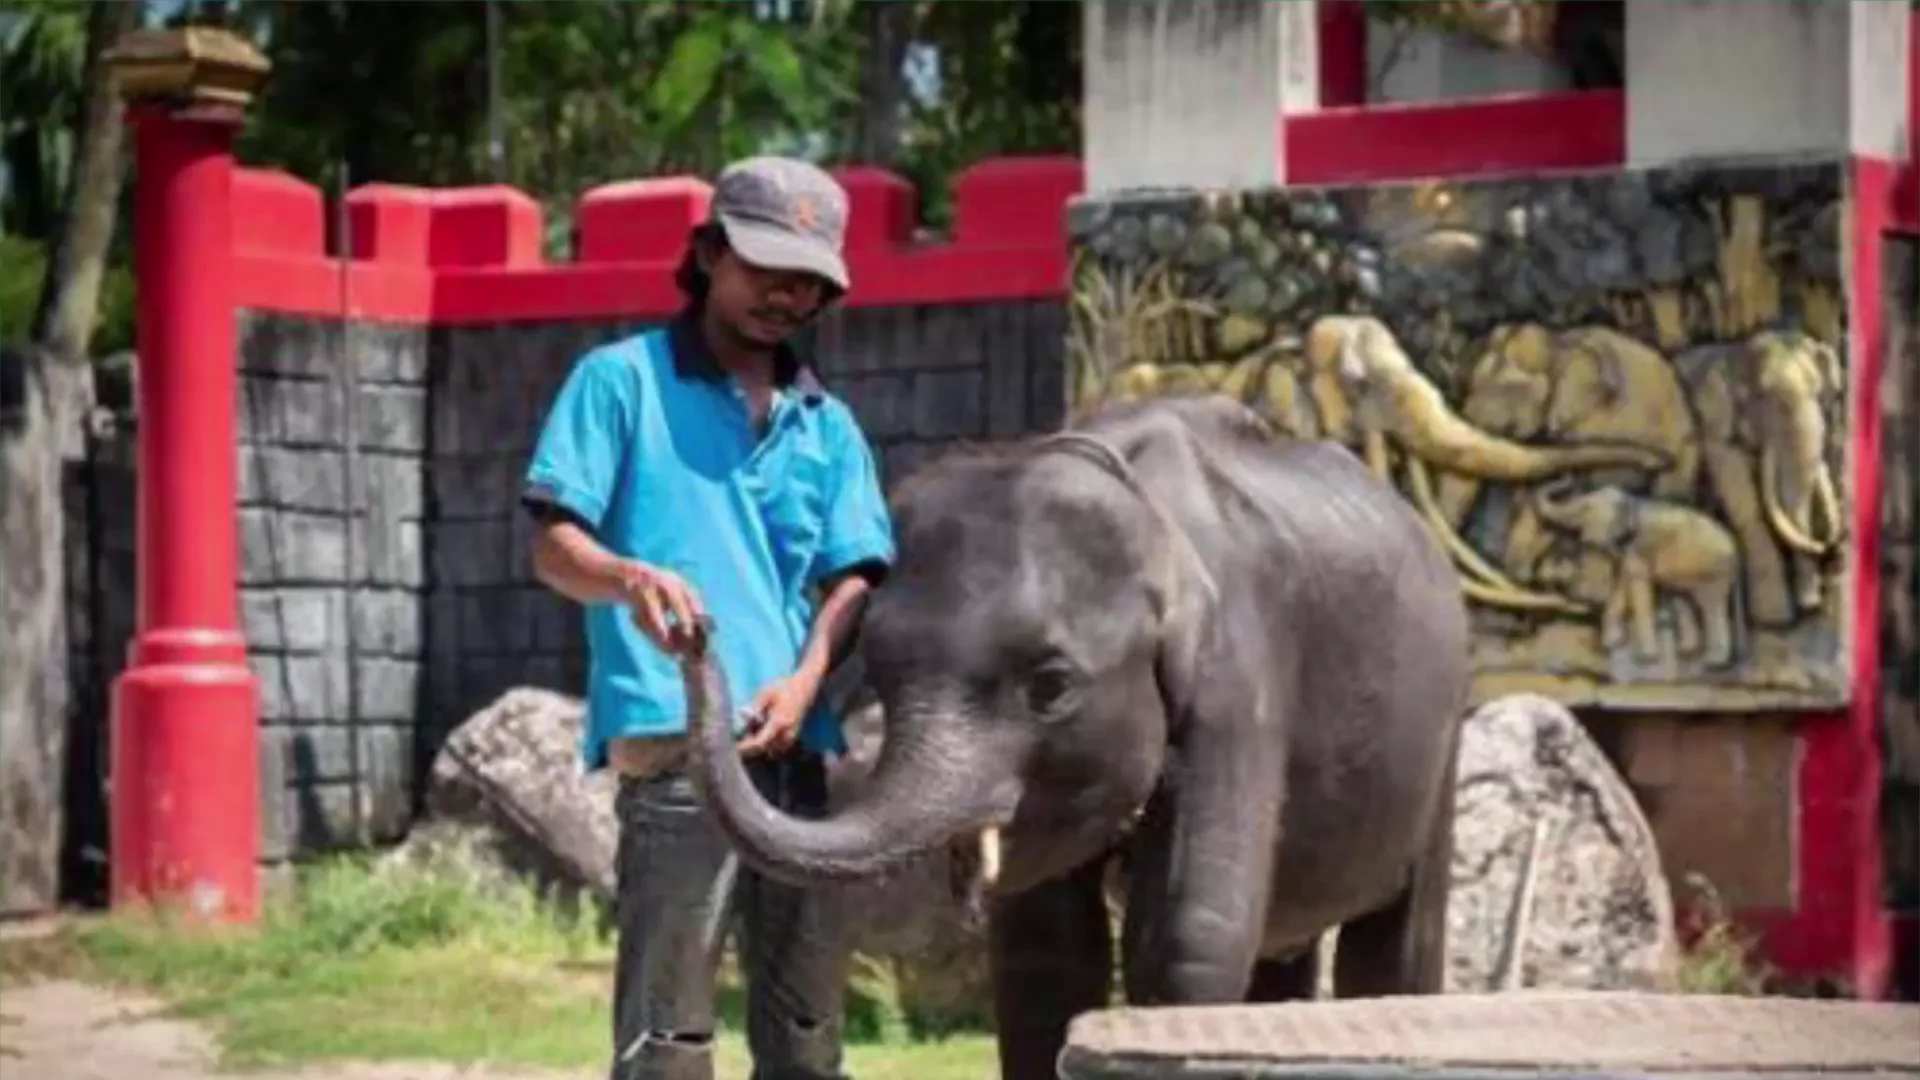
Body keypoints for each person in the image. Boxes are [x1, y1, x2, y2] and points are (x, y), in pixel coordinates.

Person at [521, 156, 894, 1080]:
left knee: (809, 1039)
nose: (786, 294)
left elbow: (852, 578)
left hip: (796, 763)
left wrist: (809, 677)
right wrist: (625, 575)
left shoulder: (828, 424)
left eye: (807, 278)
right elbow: (551, 545)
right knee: (670, 1038)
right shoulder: (620, 383)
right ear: (706, 253)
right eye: (766, 267)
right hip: (677, 757)